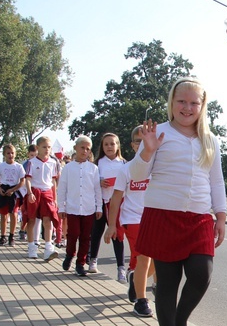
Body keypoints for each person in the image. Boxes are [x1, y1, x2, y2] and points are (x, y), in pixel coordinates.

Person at [130, 77, 227, 326]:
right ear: (171, 102)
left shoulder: (210, 139)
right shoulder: (157, 134)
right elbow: (137, 175)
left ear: (202, 106)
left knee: (202, 274)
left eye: (193, 102)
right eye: (181, 101)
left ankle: (181, 320)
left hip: (198, 218)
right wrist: (147, 151)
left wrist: (220, 217)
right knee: (168, 283)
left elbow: (216, 181)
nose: (187, 107)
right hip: (163, 215)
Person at [104, 125, 157, 316]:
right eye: (137, 141)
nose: (142, 144)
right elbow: (116, 198)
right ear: (132, 145)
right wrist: (111, 225)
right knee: (144, 256)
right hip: (132, 219)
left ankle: (137, 279)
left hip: (155, 219)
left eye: (146, 139)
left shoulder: (158, 168)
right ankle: (142, 301)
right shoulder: (126, 170)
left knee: (157, 259)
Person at [57, 136, 102, 277]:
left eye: (88, 149)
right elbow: (62, 188)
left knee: (85, 237)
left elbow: (97, 189)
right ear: (76, 148)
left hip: (88, 208)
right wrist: (61, 207)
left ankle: (80, 263)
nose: (85, 151)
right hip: (73, 207)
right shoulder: (68, 168)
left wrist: (99, 207)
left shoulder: (93, 168)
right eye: (82, 147)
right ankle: (70, 254)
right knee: (73, 233)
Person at [89, 132, 126, 281]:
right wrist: (99, 182)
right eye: (106, 144)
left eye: (112, 144)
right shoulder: (97, 164)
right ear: (102, 147)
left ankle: (121, 268)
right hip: (101, 203)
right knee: (97, 233)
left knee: (118, 236)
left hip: (118, 205)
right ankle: (93, 260)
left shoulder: (124, 164)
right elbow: (89, 182)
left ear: (118, 146)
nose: (109, 147)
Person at [24, 136, 60, 261]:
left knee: (48, 220)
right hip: (34, 191)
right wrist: (29, 193)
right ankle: (31, 246)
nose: (47, 150)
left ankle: (48, 248)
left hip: (47, 193)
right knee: (32, 219)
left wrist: (55, 198)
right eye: (44, 147)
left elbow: (54, 181)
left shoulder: (53, 162)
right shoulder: (31, 162)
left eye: (49, 147)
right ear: (38, 147)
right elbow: (27, 179)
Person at [0, 144, 26, 247]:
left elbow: (22, 181)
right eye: (8, 153)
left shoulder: (19, 166)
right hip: (4, 189)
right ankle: (3, 236)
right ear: (4, 154)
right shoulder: (1, 166)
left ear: (15, 154)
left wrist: (13, 190)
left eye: (12, 153)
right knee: (3, 215)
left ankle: (11, 236)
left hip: (14, 190)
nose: (10, 155)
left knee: (14, 213)